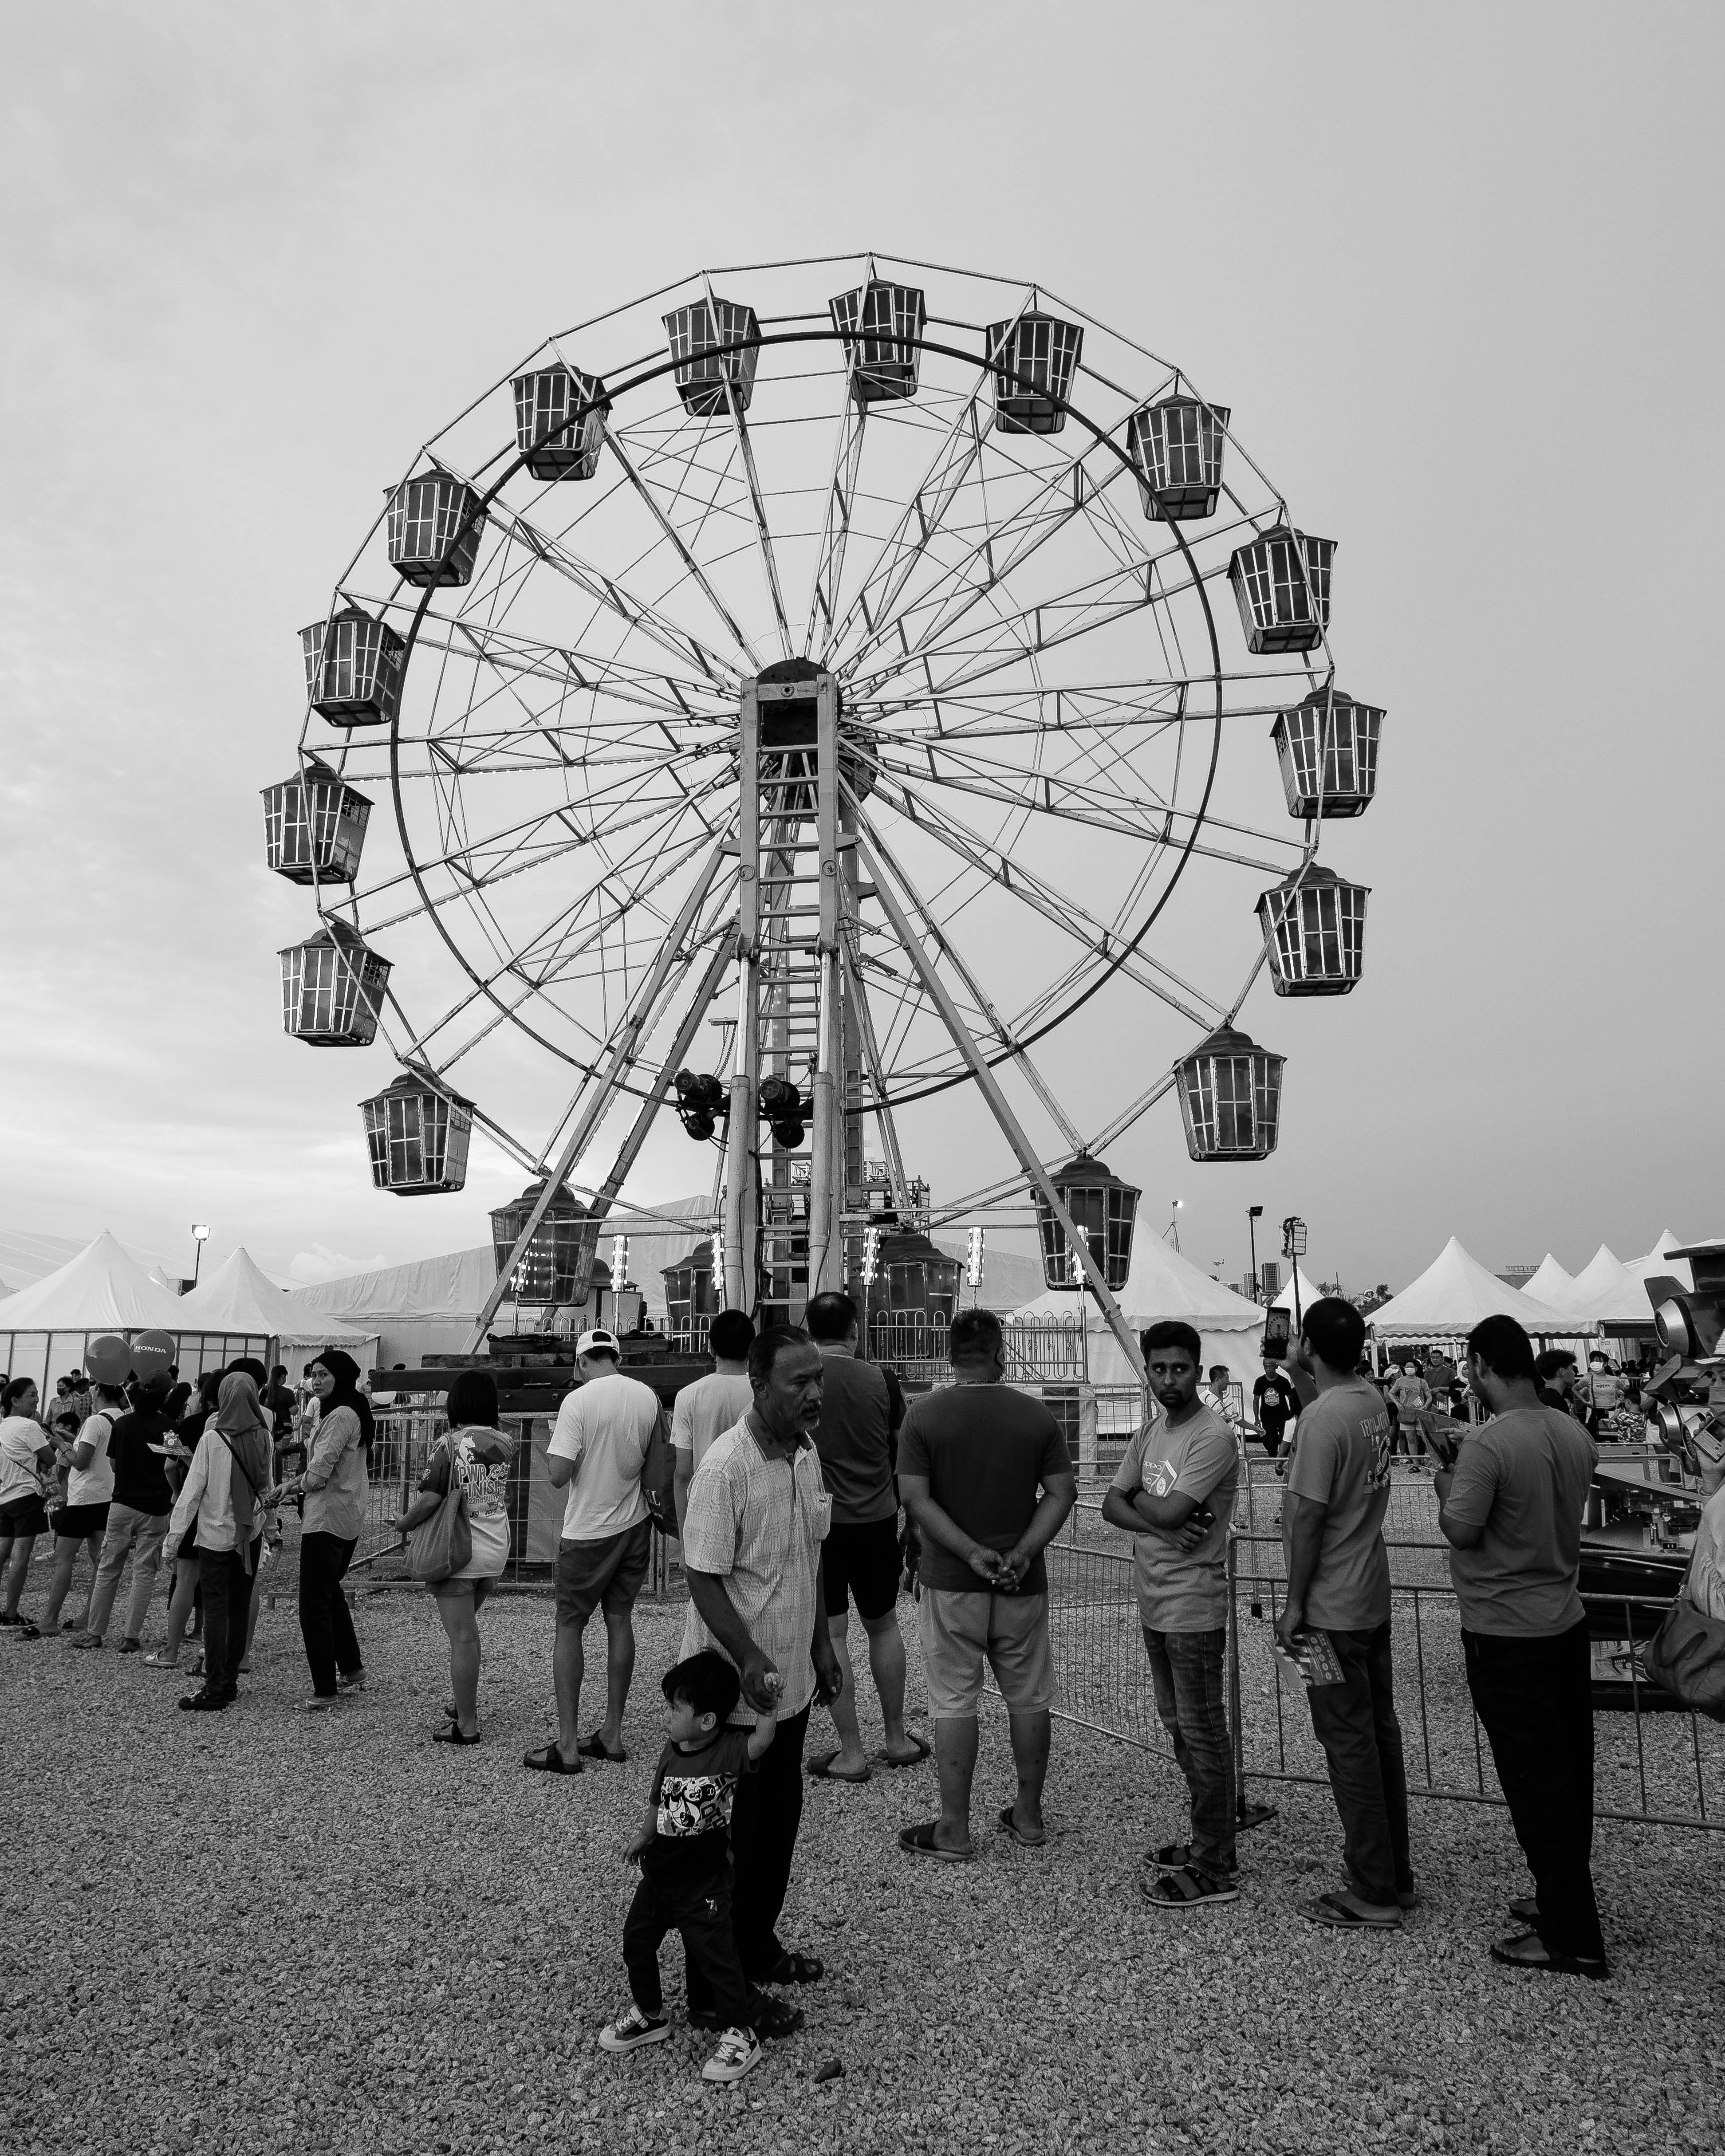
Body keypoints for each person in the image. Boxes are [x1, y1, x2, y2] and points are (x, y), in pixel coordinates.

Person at [677, 1326, 841, 2032]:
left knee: (776, 1830)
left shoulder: (806, 1456)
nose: (813, 1395)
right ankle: (715, 1992)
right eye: (798, 1383)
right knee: (728, 1846)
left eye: (818, 1381)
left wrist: (822, 1647)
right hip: (740, 1699)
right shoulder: (725, 1469)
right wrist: (747, 1657)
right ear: (759, 1387)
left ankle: (757, 1945)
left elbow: (810, 1554)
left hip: (793, 1685)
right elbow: (703, 1576)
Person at [1433, 1314, 1606, 1978]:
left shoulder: (1488, 1443)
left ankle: (1572, 1935)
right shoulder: (1571, 1431)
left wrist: (1449, 1480)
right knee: (1567, 1774)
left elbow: (1463, 1530)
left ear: (1479, 1365)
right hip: (1564, 1619)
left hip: (1506, 1631)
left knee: (1535, 1784)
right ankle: (1562, 1898)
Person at [896, 1306, 1077, 1861]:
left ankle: (954, 1827)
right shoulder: (1036, 1417)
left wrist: (971, 1552)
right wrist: (1021, 1551)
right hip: (1022, 1582)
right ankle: (1028, 1814)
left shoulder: (923, 1418)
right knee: (1029, 1697)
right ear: (1000, 1352)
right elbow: (1062, 1494)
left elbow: (916, 1499)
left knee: (954, 1701)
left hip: (952, 1581)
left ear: (951, 1355)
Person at [1276, 1297, 1410, 1929]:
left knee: (1346, 1742)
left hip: (1329, 1606)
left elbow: (1307, 1514)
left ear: (1307, 1341)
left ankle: (1372, 1888)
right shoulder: (1368, 1403)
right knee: (1378, 1733)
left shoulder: (1324, 1421)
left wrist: (1294, 1603)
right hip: (1370, 1596)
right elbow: (1323, 1405)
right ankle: (1394, 1872)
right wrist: (1306, 1367)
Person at [1102, 1320, 1242, 1908]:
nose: (1168, 1380)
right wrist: (1148, 1509)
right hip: (1155, 1599)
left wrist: (1146, 1503)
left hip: (1193, 1602)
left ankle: (1215, 1863)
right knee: (1180, 1727)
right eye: (1158, 1369)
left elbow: (1175, 1508)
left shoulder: (1211, 1437)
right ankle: (1207, 1835)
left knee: (1203, 1732)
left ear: (1197, 1368)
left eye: (1179, 1369)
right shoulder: (1153, 1430)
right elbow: (1115, 1505)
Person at [598, 1650, 780, 2085]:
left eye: (674, 1708)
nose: (666, 1716)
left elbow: (763, 1741)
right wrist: (644, 1835)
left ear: (706, 1721)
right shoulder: (671, 1749)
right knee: (636, 1942)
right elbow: (658, 1799)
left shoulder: (729, 1751)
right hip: (659, 1877)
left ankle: (741, 2032)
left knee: (718, 1959)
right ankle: (650, 2012)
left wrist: (770, 1706)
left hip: (704, 1885)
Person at [800, 1290, 924, 1783]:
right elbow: (904, 1452)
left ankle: (850, 1752)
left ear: (809, 1332)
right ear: (856, 1331)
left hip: (820, 1524)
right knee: (885, 1626)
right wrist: (911, 1520)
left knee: (833, 1635)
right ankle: (896, 1737)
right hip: (876, 1520)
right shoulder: (883, 1381)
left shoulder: (804, 1381)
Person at [528, 1327, 660, 1773]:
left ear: (582, 1362)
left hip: (588, 1530)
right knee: (620, 1619)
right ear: (615, 1357)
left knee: (570, 1625)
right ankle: (612, 1733)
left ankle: (567, 1744)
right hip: (635, 1524)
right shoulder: (646, 1396)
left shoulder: (578, 1402)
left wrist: (555, 1441)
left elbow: (560, 1475)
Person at [390, 1368, 518, 1743]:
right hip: (495, 1547)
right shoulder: (505, 1441)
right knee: (468, 1635)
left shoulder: (449, 1444)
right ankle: (464, 1705)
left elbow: (431, 1497)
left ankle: (467, 1724)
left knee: (463, 1639)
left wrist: (404, 1524)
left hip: (459, 1549)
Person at [163, 1371, 274, 1711]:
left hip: (214, 1536)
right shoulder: (264, 1437)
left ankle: (214, 1687)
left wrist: (173, 1539)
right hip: (249, 1534)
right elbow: (268, 1487)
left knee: (216, 1611)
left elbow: (192, 1492)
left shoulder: (212, 1439)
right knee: (239, 1609)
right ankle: (229, 1680)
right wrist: (271, 1530)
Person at [73, 1330, 178, 1652]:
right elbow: (174, 1464)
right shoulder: (168, 1428)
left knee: (108, 1568)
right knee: (144, 1573)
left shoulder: (123, 1424)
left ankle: (95, 1633)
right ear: (164, 1397)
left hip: (121, 1505)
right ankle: (131, 1637)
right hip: (156, 1507)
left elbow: (115, 1466)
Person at [279, 1349, 371, 1709]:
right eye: (313, 1375)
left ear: (341, 1378)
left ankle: (325, 1689)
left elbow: (319, 1474)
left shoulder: (340, 1415)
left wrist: (291, 1486)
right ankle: (351, 1668)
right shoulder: (349, 1410)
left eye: (324, 1375)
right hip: (346, 1515)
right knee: (329, 1592)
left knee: (313, 1604)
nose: (316, 1381)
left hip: (327, 1519)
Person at [40, 1337, 130, 1634]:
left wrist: (59, 1445)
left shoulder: (94, 1422)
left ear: (96, 1390)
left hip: (83, 1498)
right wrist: (72, 1442)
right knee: (99, 1561)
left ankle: (50, 1620)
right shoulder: (122, 1418)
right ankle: (87, 1618)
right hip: (108, 1496)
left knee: (64, 1559)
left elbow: (80, 1462)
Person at [146, 1371, 222, 1672]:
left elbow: (169, 1465)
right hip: (225, 1512)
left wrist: (180, 1492)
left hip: (194, 1508)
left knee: (185, 1581)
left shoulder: (190, 1425)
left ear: (204, 1394)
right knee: (219, 1583)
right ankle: (210, 1647)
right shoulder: (249, 1425)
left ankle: (171, 1650)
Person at [671, 1310, 756, 1534]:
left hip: (705, 1512)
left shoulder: (689, 1396)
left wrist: (684, 1541)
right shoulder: (764, 1393)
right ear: (751, 1349)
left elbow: (683, 1474)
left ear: (711, 1349)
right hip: (755, 1512)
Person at [0, 1377, 56, 1634]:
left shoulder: (2, 1427)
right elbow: (50, 1457)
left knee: (2, 1554)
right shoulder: (29, 1427)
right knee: (20, 1558)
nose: (35, 1399)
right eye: (31, 1395)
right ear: (15, 1400)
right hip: (26, 1496)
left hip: (4, 1497)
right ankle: (10, 1613)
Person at [1252, 1353, 1299, 1462]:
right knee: (1270, 1443)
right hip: (1267, 1417)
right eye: (1266, 1366)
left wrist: (1293, 1414)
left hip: (1283, 1416)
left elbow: (1291, 1398)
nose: (1268, 1369)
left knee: (1286, 1439)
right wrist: (1256, 1419)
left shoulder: (1284, 1382)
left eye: (1271, 1366)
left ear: (1276, 1367)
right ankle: (1274, 1456)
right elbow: (1256, 1400)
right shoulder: (1260, 1382)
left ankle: (1282, 1459)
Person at [1388, 1361, 1431, 1461]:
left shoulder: (1422, 1382)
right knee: (1411, 1439)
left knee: (1425, 1438)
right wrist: (1398, 1404)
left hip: (1419, 1413)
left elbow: (1429, 1397)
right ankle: (1415, 1464)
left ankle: (1430, 1461)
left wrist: (1424, 1407)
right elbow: (1391, 1393)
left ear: (1416, 1368)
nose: (1410, 1368)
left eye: (1412, 1366)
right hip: (1406, 1413)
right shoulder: (1400, 1381)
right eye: (1407, 1366)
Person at [1534, 1350, 1583, 1419]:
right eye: (1571, 1369)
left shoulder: (1544, 1396)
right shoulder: (1556, 1402)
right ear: (1562, 1371)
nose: (1574, 1373)